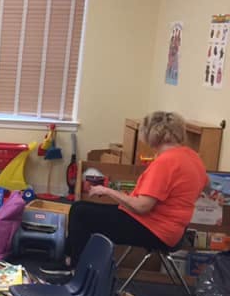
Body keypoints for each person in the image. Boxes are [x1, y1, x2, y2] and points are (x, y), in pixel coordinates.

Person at [60, 111, 207, 269]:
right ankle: (70, 261)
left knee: (80, 212)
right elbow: (200, 186)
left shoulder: (166, 162)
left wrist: (108, 191)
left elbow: (142, 207)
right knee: (81, 209)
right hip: (174, 231)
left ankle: (74, 268)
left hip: (154, 229)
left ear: (152, 135)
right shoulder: (192, 157)